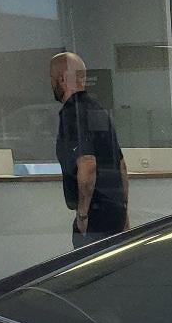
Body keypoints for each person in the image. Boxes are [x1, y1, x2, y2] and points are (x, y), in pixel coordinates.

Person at [50, 51, 129, 246]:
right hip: (115, 215)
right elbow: (121, 166)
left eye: (52, 78)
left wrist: (82, 215)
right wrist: (124, 212)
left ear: (62, 79)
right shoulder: (99, 111)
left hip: (94, 218)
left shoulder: (71, 114)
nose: (51, 84)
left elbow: (88, 165)